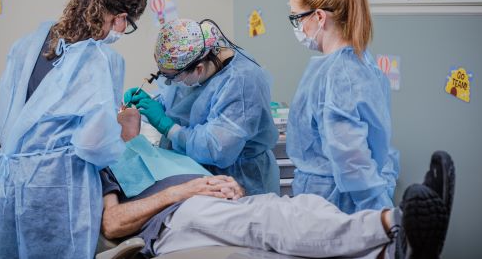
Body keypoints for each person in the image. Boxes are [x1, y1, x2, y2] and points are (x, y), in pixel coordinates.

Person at [101, 108, 455, 259]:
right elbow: (113, 223)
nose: (123, 112)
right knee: (269, 224)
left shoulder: (161, 148)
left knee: (300, 208)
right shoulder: (104, 162)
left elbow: (134, 123)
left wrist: (225, 184)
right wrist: (184, 190)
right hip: (174, 219)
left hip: (212, 203)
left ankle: (390, 252)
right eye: (114, 113)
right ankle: (394, 222)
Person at [0, 0, 148, 258]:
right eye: (129, 24)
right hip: (57, 189)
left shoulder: (27, 44)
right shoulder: (99, 59)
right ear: (121, 17)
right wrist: (121, 128)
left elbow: (1, 105)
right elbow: (94, 145)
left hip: (8, 184)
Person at [286, 0, 400, 213]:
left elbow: (351, 159)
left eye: (297, 17)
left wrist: (379, 214)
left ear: (318, 16)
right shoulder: (360, 63)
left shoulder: (339, 75)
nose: (297, 27)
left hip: (332, 206)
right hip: (331, 200)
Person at [124, 18, 280, 196]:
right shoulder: (199, 67)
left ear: (198, 69)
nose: (169, 83)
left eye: (172, 77)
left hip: (240, 183)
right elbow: (183, 105)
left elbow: (217, 148)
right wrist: (152, 103)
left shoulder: (242, 82)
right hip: (198, 178)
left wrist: (168, 127)